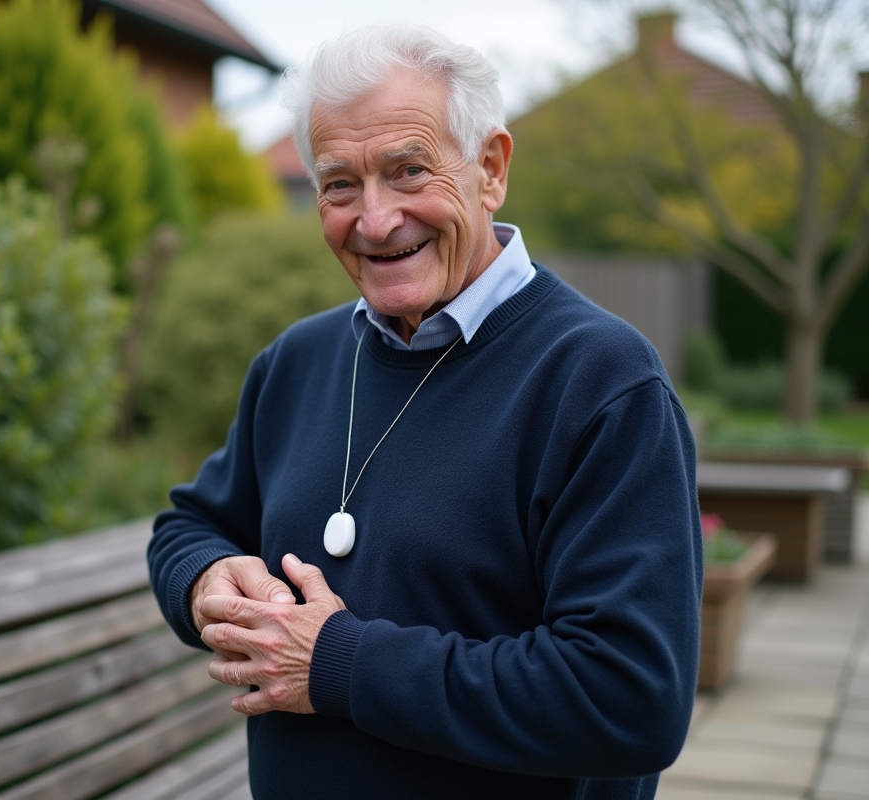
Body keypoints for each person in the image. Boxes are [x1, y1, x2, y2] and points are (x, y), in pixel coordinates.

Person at [147, 22, 702, 800]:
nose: (375, 221)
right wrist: (205, 582)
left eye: (409, 171)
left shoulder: (601, 382)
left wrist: (338, 663)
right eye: (340, 184)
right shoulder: (296, 362)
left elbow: (628, 699)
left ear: (491, 169)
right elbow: (188, 525)